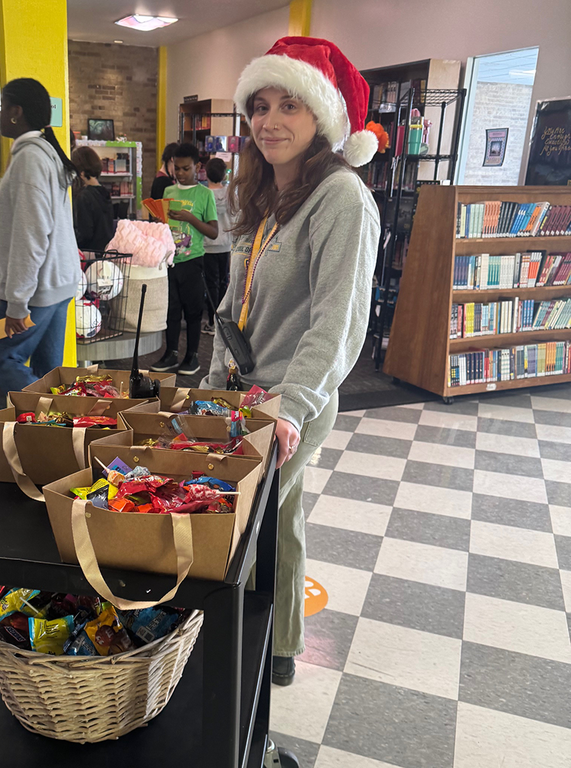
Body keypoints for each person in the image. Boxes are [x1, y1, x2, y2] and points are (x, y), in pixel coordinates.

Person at [201, 36, 380, 686]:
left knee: (243, 520)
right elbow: (232, 301)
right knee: (278, 515)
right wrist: (211, 380)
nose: (271, 120)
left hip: (290, 403)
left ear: (322, 118)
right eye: (260, 105)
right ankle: (278, 644)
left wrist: (293, 407)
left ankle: (245, 645)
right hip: (244, 393)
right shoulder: (260, 196)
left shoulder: (341, 198)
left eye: (290, 105)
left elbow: (339, 321)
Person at [0, 78, 81, 394]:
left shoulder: (30, 157)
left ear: (15, 111)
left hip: (38, 287)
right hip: (57, 281)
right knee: (47, 373)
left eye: (2, 108)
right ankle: (57, 436)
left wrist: (17, 301)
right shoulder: (45, 153)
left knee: (1, 359)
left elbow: (31, 234)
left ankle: (58, 422)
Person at [150, 143, 218, 377]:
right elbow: (164, 225)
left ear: (197, 167)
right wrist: (159, 223)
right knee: (171, 310)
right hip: (170, 260)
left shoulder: (205, 194)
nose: (180, 173)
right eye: (176, 168)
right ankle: (171, 353)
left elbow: (213, 232)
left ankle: (193, 356)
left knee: (193, 311)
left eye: (185, 168)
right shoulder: (169, 192)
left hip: (194, 260)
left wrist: (189, 218)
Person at [202, 157, 234, 334]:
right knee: (224, 282)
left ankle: (213, 323)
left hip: (208, 245)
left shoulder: (204, 195)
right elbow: (237, 217)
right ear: (223, 175)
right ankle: (222, 320)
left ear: (206, 174)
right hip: (227, 245)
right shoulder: (231, 195)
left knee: (211, 284)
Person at [71, 145, 115, 251]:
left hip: (89, 255)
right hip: (105, 252)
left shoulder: (83, 197)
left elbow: (84, 234)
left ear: (80, 172)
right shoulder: (104, 192)